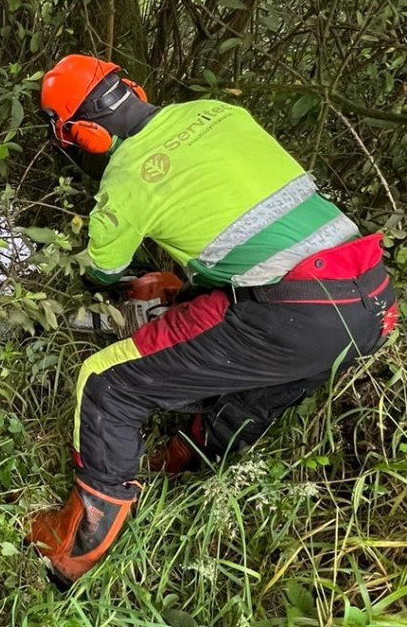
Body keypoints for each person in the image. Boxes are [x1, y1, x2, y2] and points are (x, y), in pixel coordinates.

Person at [27, 54, 399, 589]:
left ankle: (74, 549)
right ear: (131, 89)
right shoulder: (216, 112)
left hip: (293, 310)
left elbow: (104, 270)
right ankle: (182, 468)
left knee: (107, 383)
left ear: (84, 136)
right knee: (253, 394)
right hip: (370, 301)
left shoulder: (126, 178)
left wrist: (117, 277)